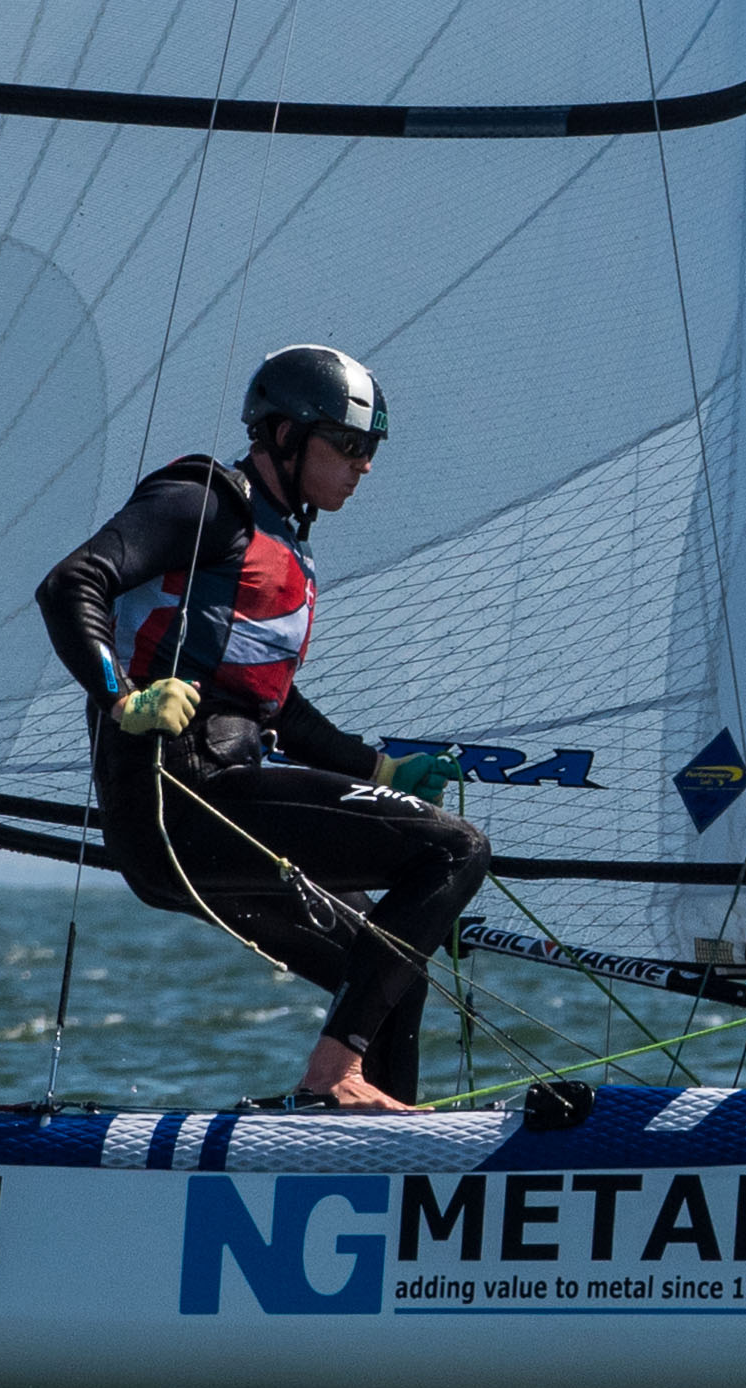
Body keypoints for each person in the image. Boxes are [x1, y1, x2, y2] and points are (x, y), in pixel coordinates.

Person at [36, 345, 488, 1110]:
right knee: (454, 849)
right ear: (285, 434)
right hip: (179, 797)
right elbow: (71, 582)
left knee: (387, 974)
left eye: (371, 449)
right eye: (348, 444)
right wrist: (123, 699)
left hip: (224, 803)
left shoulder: (282, 542)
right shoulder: (205, 502)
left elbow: (273, 703)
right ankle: (330, 1076)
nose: (363, 465)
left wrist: (379, 771)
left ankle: (370, 1147)